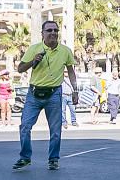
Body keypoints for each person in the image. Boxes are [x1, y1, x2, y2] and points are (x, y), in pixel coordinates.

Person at [13, 20, 78, 171]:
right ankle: (25, 157)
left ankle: (53, 159)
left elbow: (71, 72)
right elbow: (20, 69)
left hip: (54, 93)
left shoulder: (65, 51)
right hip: (34, 94)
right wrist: (33, 61)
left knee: (55, 129)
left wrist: (75, 90)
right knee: (25, 126)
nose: (53, 33)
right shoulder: (34, 49)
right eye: (49, 30)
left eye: (55, 30)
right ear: (42, 33)